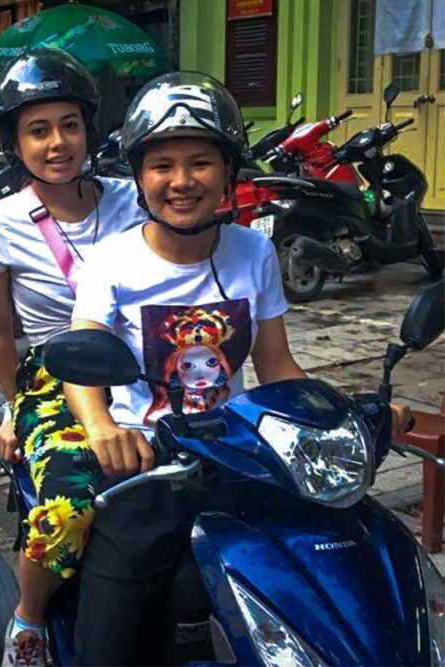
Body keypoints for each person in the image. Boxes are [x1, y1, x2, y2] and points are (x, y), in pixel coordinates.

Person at [64, 72, 413, 665]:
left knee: (329, 578)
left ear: (227, 171)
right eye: (162, 165)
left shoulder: (252, 252)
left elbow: (277, 365)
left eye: (199, 162)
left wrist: (344, 416)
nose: (181, 181)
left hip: (244, 457)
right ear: (140, 177)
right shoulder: (111, 261)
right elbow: (83, 358)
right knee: (108, 640)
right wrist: (102, 427)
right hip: (149, 465)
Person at [0, 48, 147, 666]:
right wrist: (14, 407)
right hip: (54, 375)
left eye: (69, 125)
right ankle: (29, 619)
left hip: (145, 365)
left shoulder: (135, 200)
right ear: (15, 143)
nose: (57, 142)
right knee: (69, 509)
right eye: (38, 130)